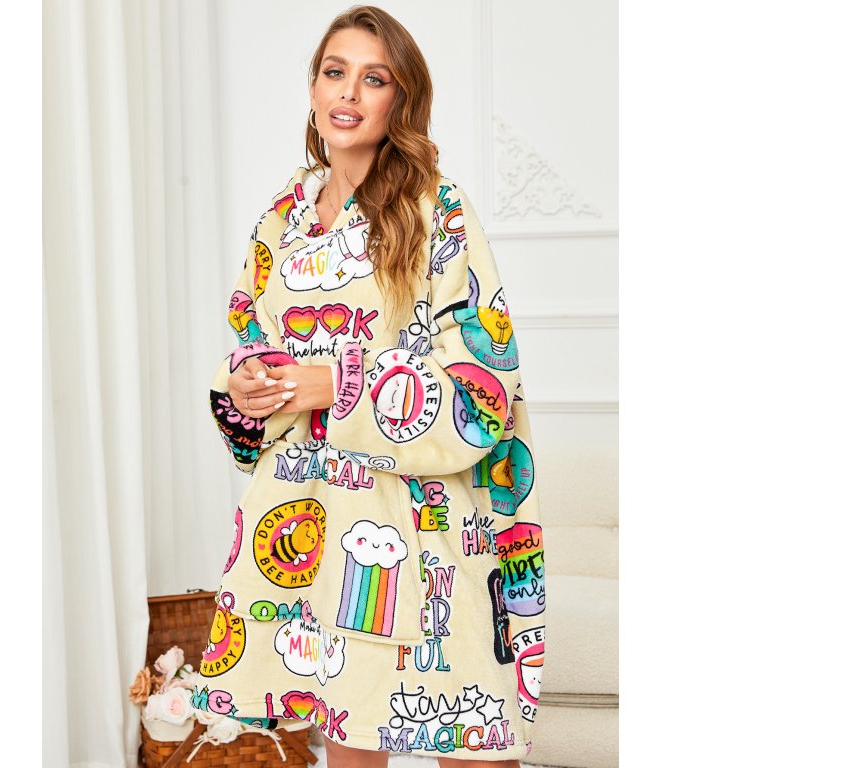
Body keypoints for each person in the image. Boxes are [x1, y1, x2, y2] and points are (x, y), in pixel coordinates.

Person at [193, 6, 546, 767]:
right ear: (314, 88)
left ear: (401, 100)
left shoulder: (438, 211)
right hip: (310, 515)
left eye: (374, 78)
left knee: (474, 739)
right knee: (348, 739)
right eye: (335, 71)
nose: (349, 92)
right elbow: (253, 342)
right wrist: (248, 382)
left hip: (429, 523)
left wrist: (334, 385)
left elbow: (485, 383)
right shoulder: (282, 220)